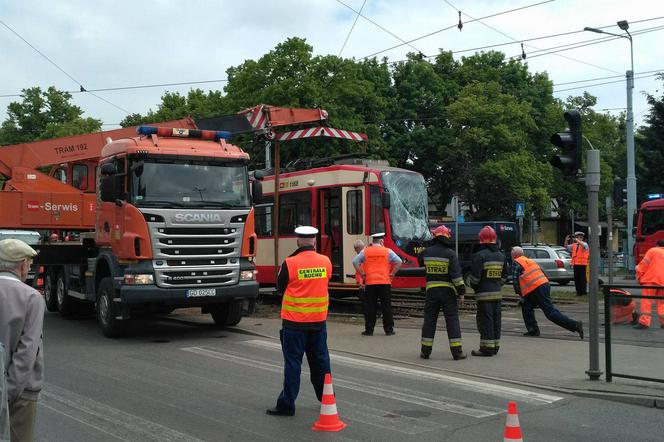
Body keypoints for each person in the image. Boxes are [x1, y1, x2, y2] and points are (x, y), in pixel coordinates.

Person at [267, 226, 333, 417]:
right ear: (314, 241)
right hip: (318, 322)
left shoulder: (290, 262)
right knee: (321, 362)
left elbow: (280, 287)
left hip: (294, 324)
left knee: (293, 364)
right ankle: (327, 398)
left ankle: (287, 405)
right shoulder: (326, 262)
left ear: (298, 241)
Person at [0, 239, 44, 442]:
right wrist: (8, 391)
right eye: (29, 263)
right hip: (21, 389)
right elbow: (27, 351)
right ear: (22, 264)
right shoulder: (31, 297)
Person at [511, 247, 584, 339]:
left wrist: (520, 294)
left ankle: (575, 325)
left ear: (514, 255)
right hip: (543, 285)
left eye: (511, 254)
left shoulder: (516, 262)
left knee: (550, 313)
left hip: (535, 288)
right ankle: (533, 329)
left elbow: (515, 281)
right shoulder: (529, 261)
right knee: (526, 307)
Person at [419, 225, 467, 361]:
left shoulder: (426, 252)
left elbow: (420, 261)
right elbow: (457, 277)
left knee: (429, 321)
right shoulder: (451, 254)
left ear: (435, 237)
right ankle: (457, 352)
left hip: (431, 292)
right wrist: (461, 292)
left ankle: (425, 352)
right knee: (452, 321)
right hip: (448, 293)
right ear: (447, 237)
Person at [353, 233, 403, 336]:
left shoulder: (365, 251)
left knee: (371, 306)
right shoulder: (387, 251)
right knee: (386, 306)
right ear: (381, 241)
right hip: (385, 282)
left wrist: (362, 273)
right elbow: (399, 262)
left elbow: (355, 261)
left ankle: (369, 330)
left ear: (373, 241)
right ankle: (389, 329)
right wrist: (392, 273)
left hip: (370, 283)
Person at [468, 226, 506, 357]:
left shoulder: (479, 256)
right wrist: (496, 284)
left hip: (483, 296)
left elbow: (475, 279)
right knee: (496, 321)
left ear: (481, 241)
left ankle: (486, 349)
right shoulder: (501, 256)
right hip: (497, 294)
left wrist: (473, 286)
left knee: (485, 321)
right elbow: (504, 277)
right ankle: (495, 347)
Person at [634, 239, 664, 329]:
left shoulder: (653, 250)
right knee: (662, 303)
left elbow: (643, 265)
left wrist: (639, 277)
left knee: (646, 301)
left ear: (657, 245)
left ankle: (644, 322)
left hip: (651, 280)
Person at [564, 231, 589, 296]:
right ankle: (578, 292)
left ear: (582, 238)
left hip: (583, 264)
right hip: (575, 263)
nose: (579, 238)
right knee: (576, 279)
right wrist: (566, 240)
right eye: (578, 237)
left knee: (582, 279)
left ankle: (583, 292)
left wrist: (577, 240)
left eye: (581, 237)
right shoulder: (574, 245)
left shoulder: (585, 244)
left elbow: (583, 245)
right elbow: (566, 247)